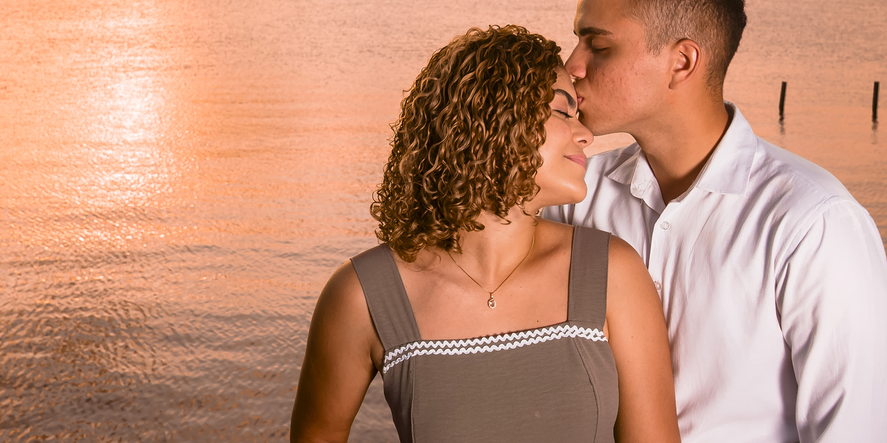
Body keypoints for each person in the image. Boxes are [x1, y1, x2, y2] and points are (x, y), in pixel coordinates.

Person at [543, 0, 887, 442]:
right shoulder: (573, 195)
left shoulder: (813, 222)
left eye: (598, 47)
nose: (572, 66)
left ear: (682, 62)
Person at [291, 25, 680, 443]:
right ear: (491, 121)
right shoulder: (363, 295)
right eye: (563, 112)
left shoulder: (611, 271)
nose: (585, 134)